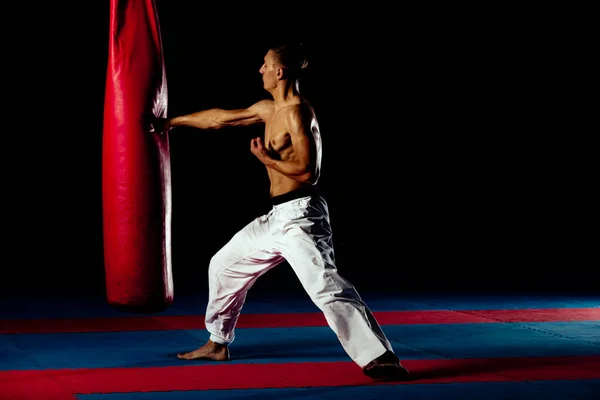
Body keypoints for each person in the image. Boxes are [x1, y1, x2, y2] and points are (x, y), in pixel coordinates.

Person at [150, 42, 411, 381]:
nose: (260, 70)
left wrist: (267, 159)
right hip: (276, 217)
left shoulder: (298, 112)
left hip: (302, 217)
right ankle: (217, 343)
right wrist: (172, 122)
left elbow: (308, 172)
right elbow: (220, 119)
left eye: (264, 65)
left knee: (325, 285)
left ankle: (380, 357)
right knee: (223, 265)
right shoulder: (267, 109)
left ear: (280, 72)